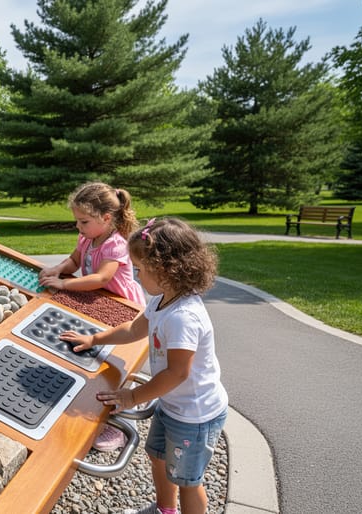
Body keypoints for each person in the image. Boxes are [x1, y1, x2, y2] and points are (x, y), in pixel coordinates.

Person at [63, 217, 228, 514]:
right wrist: (95, 338)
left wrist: (133, 397)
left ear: (164, 270)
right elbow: (133, 329)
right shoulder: (162, 300)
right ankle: (165, 510)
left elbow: (177, 373)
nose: (136, 276)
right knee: (158, 457)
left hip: (195, 415)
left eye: (139, 269)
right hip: (174, 405)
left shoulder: (183, 317)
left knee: (188, 480)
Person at [38, 181, 146, 452]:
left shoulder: (116, 244)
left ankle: (118, 424)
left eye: (83, 221)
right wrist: (57, 269)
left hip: (123, 308)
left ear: (106, 218)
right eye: (77, 221)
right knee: (94, 359)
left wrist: (64, 283)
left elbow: (101, 278)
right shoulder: (87, 237)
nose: (78, 226)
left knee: (116, 367)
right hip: (98, 303)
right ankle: (93, 406)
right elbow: (74, 261)